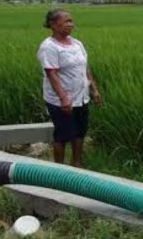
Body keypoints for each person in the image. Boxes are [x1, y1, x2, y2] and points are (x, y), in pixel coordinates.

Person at [37, 9, 102, 167]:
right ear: (53, 24)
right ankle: (59, 169)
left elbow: (84, 69)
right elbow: (52, 74)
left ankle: (77, 163)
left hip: (81, 96)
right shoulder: (49, 47)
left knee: (80, 131)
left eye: (71, 21)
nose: (70, 24)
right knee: (63, 134)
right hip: (60, 100)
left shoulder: (76, 43)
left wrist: (93, 89)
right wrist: (63, 98)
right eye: (66, 21)